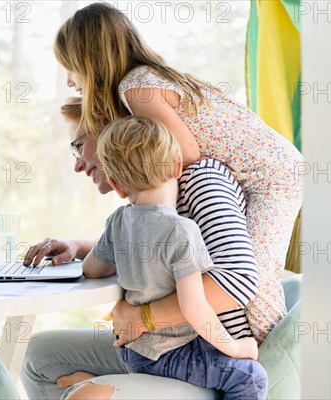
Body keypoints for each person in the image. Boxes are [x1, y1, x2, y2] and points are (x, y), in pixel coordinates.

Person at [53, 2, 303, 345]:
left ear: (92, 61)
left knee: (255, 280)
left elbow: (187, 153)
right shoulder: (145, 80)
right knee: (253, 270)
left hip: (273, 176)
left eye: (71, 68)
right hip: (269, 170)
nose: (69, 80)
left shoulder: (135, 89)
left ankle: (269, 367)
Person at [21, 97, 262, 399]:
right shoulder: (182, 231)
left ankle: (102, 379)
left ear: (118, 186)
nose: (78, 162)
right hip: (170, 352)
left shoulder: (119, 219)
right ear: (176, 167)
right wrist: (235, 348)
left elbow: (91, 269)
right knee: (251, 378)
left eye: (79, 146)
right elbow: (194, 307)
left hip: (133, 350)